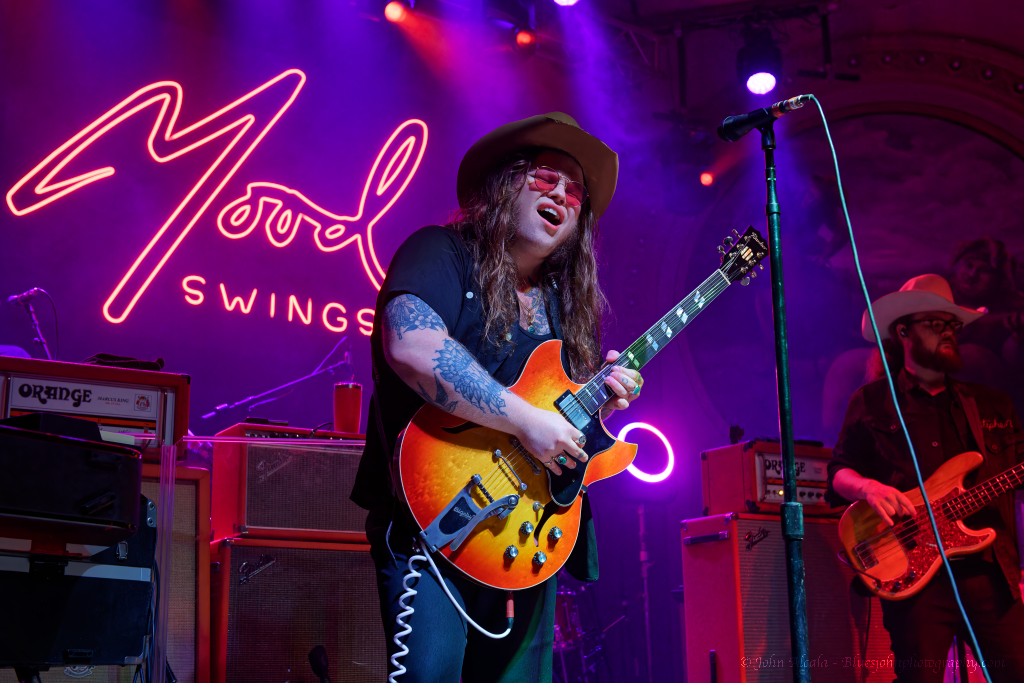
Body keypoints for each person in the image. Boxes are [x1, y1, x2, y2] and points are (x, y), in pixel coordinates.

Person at [350, 112, 643, 683]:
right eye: (543, 176)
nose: (562, 192)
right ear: (502, 185)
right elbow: (411, 345)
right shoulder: (441, 251)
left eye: (575, 189)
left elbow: (560, 431)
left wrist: (598, 401)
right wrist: (528, 421)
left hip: (524, 534)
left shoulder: (564, 306)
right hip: (435, 524)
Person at [826, 274, 1024, 682]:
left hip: (990, 575)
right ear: (904, 331)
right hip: (914, 576)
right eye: (936, 324)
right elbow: (838, 473)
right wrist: (868, 487)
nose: (949, 332)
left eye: (952, 325)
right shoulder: (871, 402)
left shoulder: (991, 403)